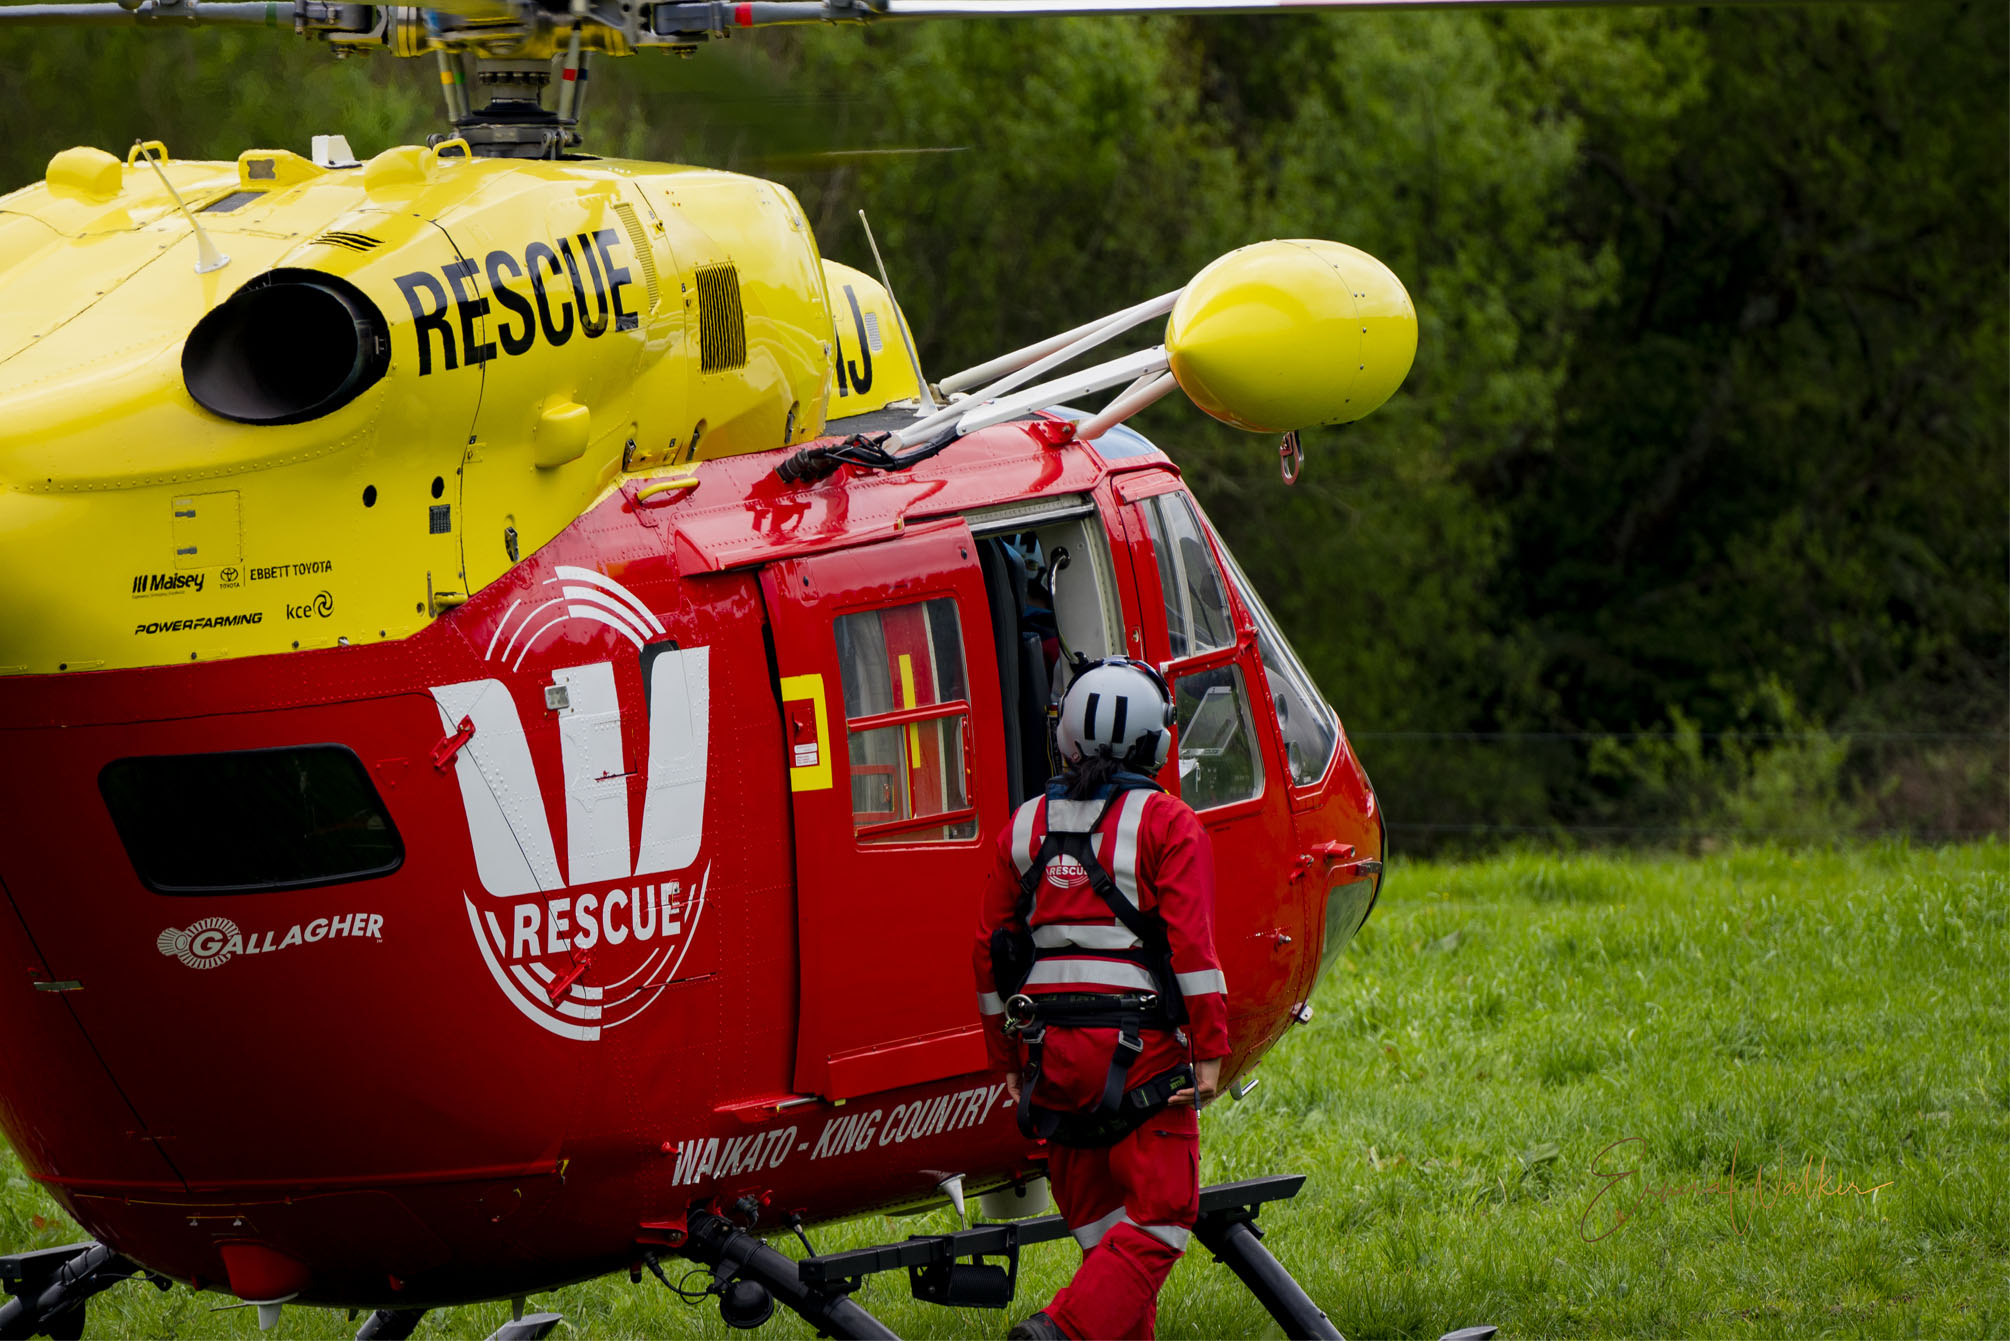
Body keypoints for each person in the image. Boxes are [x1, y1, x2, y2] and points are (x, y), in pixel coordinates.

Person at [973, 657, 1230, 1341]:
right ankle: (1059, 1332)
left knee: (1109, 1243)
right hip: (1143, 1063)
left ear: (1067, 737)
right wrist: (1210, 1051)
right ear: (1156, 741)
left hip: (1052, 1066)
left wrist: (1007, 1054)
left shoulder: (1022, 827)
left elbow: (988, 954)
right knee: (1161, 1222)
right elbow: (1194, 953)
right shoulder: (1169, 824)